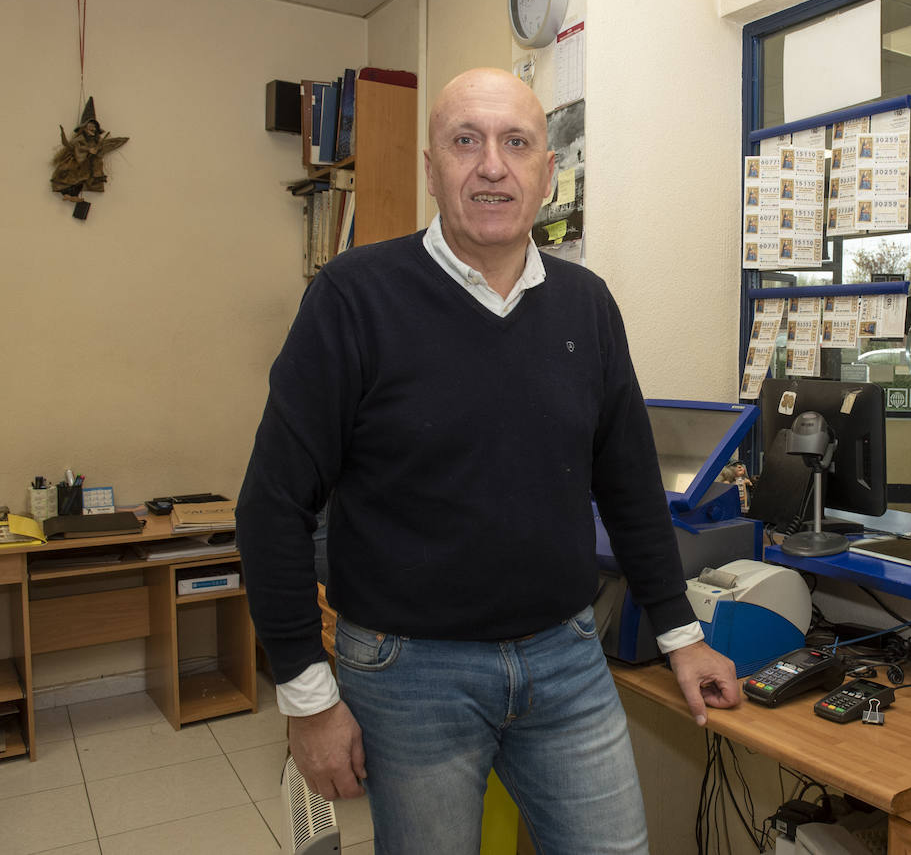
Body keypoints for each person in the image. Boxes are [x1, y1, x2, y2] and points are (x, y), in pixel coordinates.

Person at [236, 67, 741, 854]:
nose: (492, 165)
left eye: (516, 143)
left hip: (568, 660)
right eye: (465, 141)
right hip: (409, 675)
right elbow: (271, 506)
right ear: (432, 167)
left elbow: (632, 486)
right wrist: (307, 697)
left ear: (546, 169)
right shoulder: (352, 298)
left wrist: (680, 633)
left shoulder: (587, 305)